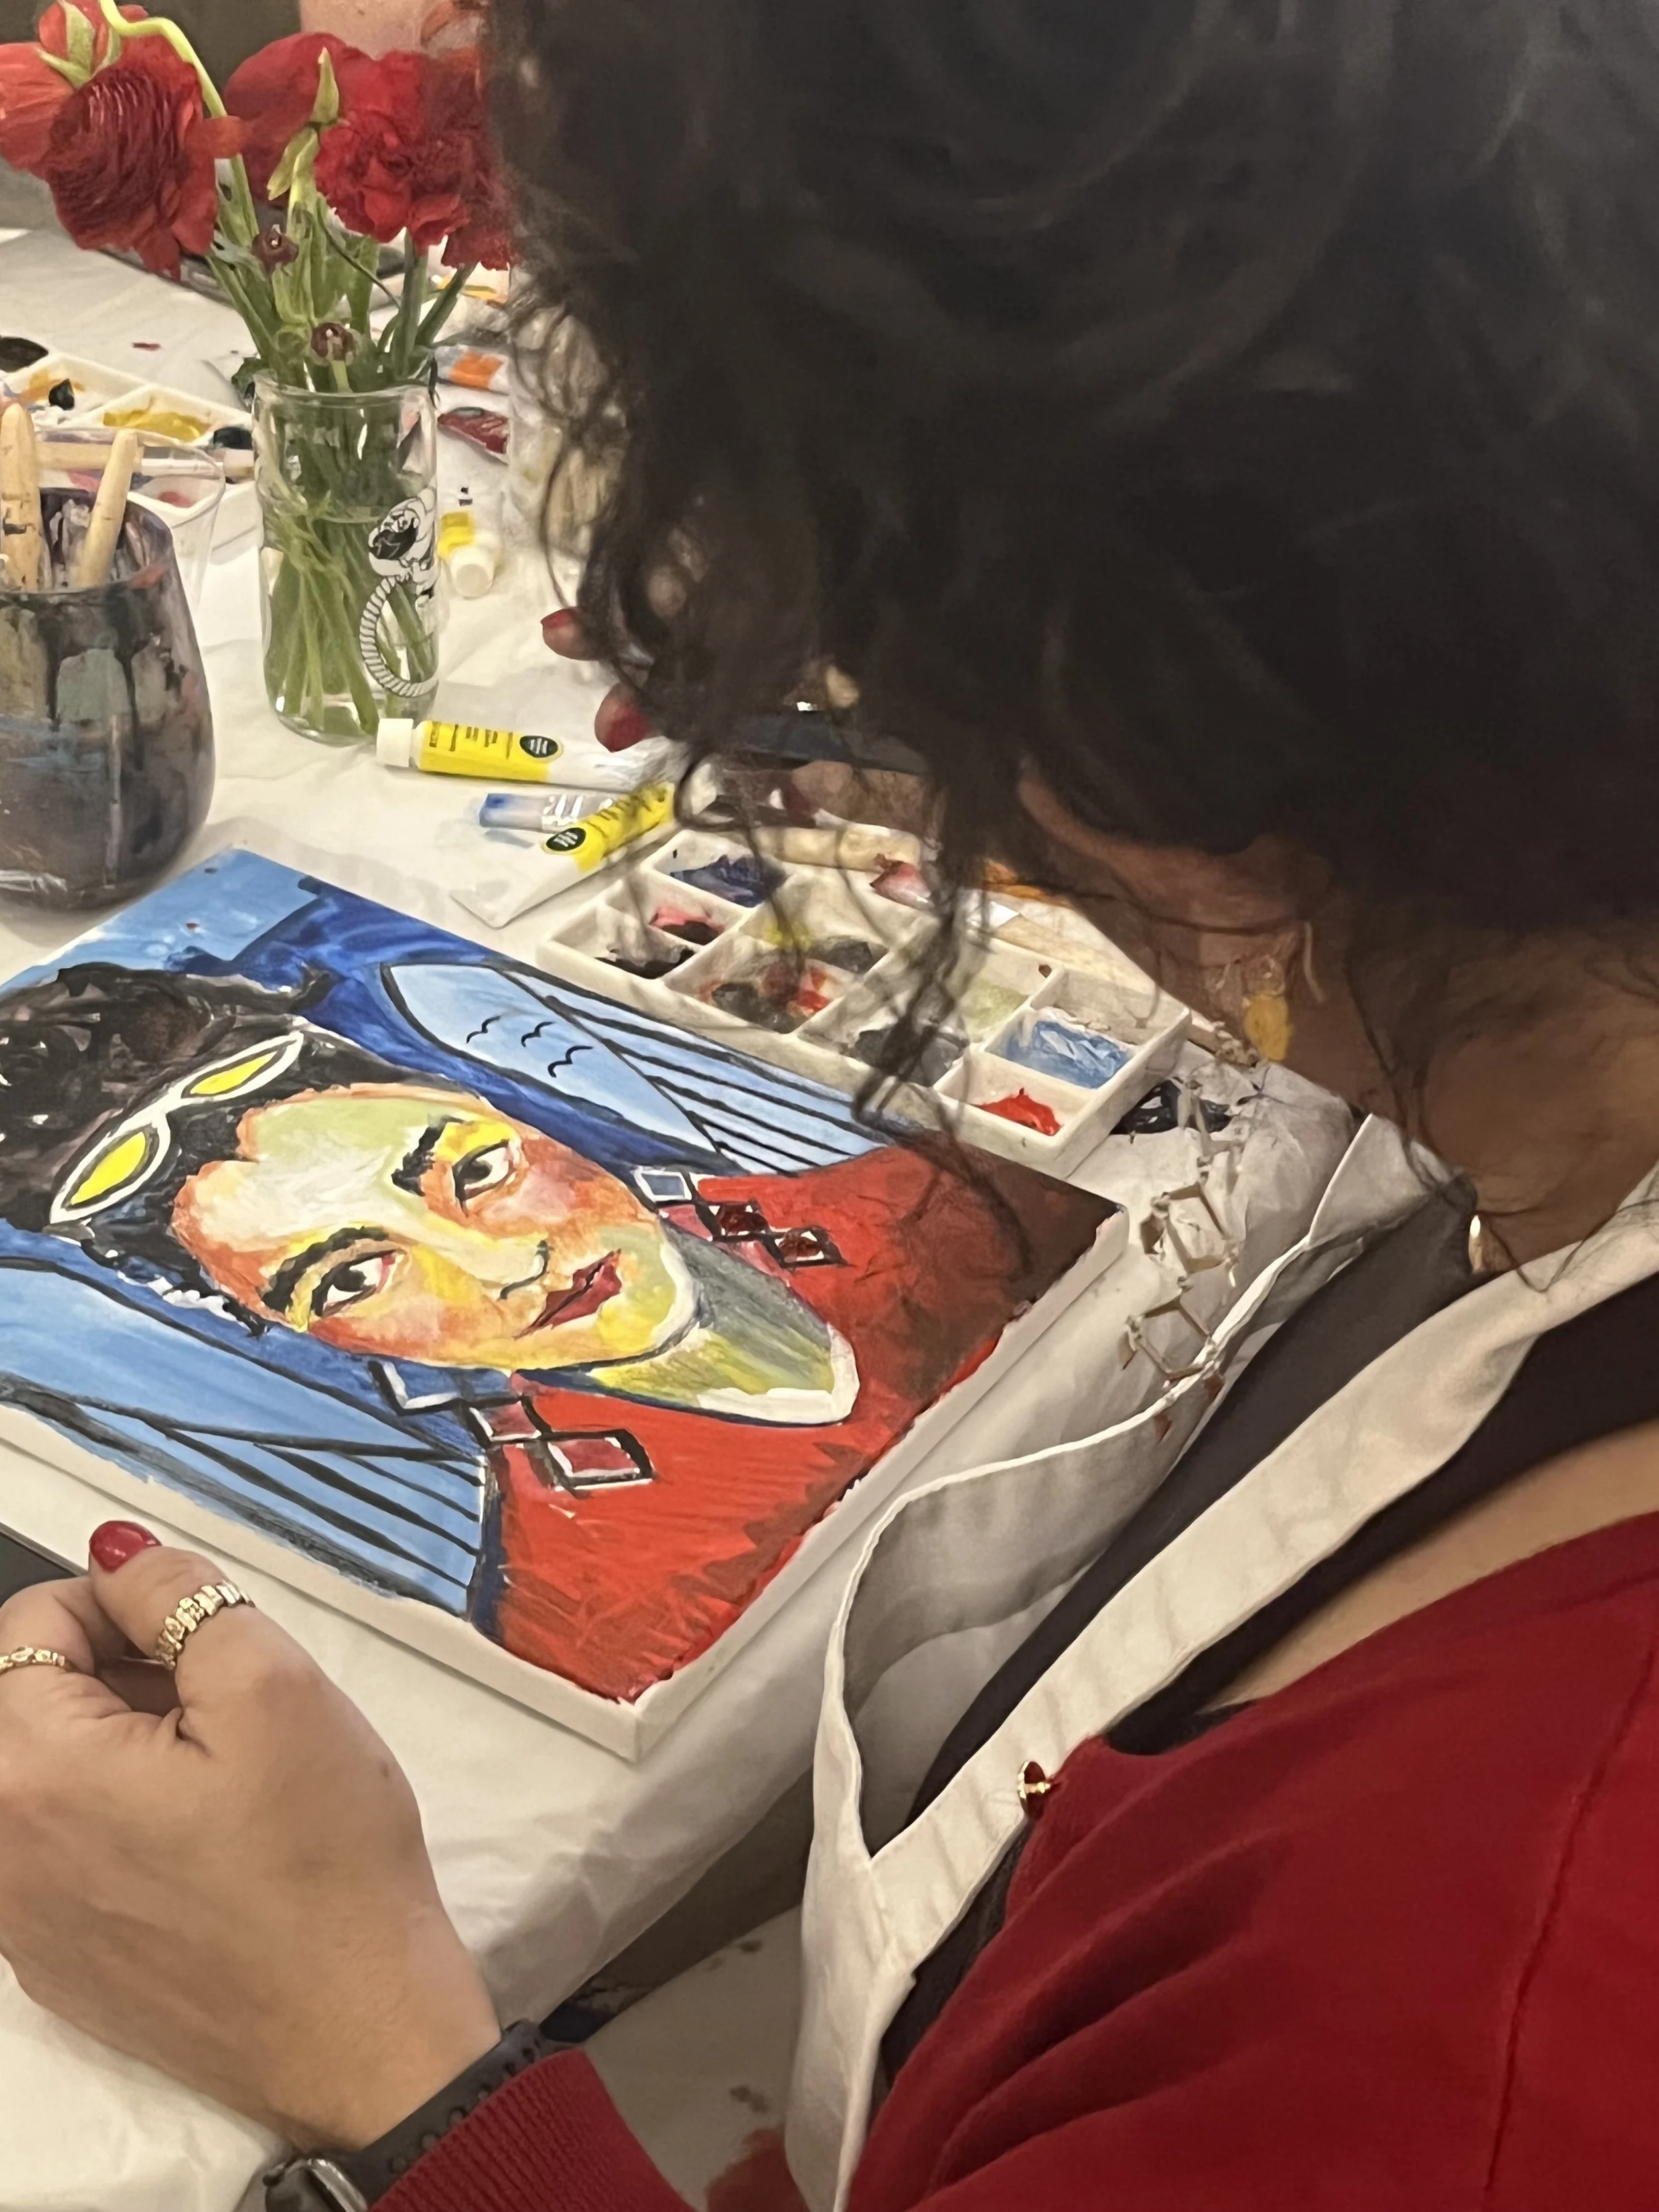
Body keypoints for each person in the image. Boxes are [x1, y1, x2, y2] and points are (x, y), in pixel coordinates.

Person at [5, 1, 1659, 2207]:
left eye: (868, 680)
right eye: (343, 1272)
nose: (496, 1251)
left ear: (1173, 766)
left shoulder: (1451, 2010)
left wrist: (382, 2055)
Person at [0, 959, 1100, 1701]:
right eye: (357, 1278)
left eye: (475, 1173)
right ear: (288, 1332)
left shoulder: (952, 1202)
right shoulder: (599, 1606)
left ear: (500, 1107)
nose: (505, 1264)